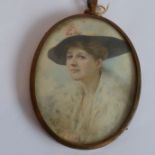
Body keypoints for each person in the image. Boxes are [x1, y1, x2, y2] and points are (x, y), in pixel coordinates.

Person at [47, 35, 131, 144]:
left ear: (98, 63)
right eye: (69, 56)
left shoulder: (117, 99)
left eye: (81, 57)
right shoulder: (63, 98)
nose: (72, 63)